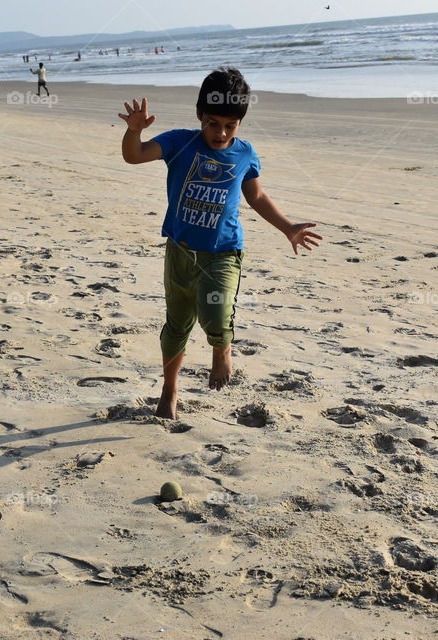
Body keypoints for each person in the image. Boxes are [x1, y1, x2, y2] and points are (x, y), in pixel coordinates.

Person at [118, 67, 322, 419]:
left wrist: (288, 227)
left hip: (223, 252)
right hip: (180, 252)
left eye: (230, 125)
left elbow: (257, 197)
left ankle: (221, 349)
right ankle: (170, 389)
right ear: (200, 115)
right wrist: (133, 131)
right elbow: (133, 155)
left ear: (241, 122)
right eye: (213, 123)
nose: (221, 132)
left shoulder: (244, 154)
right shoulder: (179, 142)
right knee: (176, 325)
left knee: (215, 312)